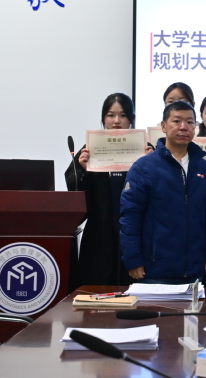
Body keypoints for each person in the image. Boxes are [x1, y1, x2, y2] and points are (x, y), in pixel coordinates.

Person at [120, 100, 206, 285]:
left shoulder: (203, 167)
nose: (183, 127)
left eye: (189, 122)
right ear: (164, 126)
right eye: (176, 121)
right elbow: (130, 217)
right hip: (154, 270)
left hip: (195, 268)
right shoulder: (143, 167)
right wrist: (133, 259)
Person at [65, 93, 151, 287]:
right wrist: (83, 170)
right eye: (111, 115)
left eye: (123, 115)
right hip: (100, 231)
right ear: (103, 118)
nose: (116, 121)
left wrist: (152, 164)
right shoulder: (91, 148)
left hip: (137, 231)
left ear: (131, 118)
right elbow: (74, 187)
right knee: (98, 285)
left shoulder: (145, 148)